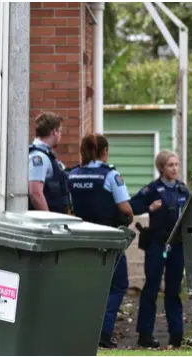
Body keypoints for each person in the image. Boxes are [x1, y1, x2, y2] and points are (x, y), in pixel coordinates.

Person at [67, 134, 134, 348]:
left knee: (85, 286)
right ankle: (103, 333)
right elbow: (126, 211)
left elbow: (69, 209)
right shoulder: (110, 175)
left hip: (81, 238)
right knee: (117, 285)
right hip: (108, 240)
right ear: (104, 151)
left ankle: (80, 330)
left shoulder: (72, 175)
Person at [130, 151, 190, 348]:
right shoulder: (152, 190)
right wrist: (150, 208)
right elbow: (132, 206)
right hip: (157, 244)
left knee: (173, 290)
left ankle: (176, 336)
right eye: (170, 165)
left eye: (176, 164)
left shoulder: (182, 190)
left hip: (176, 245)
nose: (174, 168)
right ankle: (145, 334)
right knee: (152, 288)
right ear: (161, 168)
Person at [28, 112, 71, 213]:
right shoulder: (39, 157)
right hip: (45, 223)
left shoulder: (44, 155)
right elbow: (35, 193)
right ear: (55, 131)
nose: (60, 135)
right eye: (60, 131)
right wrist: (49, 220)